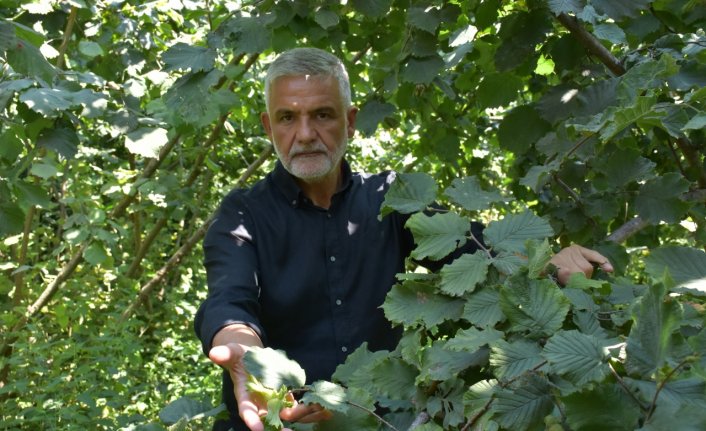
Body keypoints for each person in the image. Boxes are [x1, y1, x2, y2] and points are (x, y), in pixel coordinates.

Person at [194, 47, 614, 431]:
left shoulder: (391, 199)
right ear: (269, 126)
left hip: (381, 421)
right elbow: (230, 301)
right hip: (274, 422)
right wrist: (244, 355)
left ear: (350, 121)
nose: (304, 134)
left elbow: (477, 250)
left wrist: (549, 261)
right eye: (287, 117)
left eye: (322, 114)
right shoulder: (243, 212)